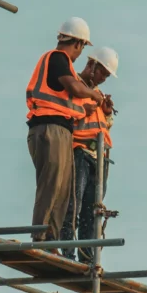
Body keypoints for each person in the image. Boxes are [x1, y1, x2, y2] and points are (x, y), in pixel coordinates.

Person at [26, 17, 105, 244]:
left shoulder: (62, 66)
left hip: (58, 129)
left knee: (62, 190)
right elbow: (74, 87)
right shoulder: (58, 58)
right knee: (51, 185)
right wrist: (93, 94)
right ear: (79, 43)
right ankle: (40, 237)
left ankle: (52, 238)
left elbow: (70, 101)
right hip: (49, 128)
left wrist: (92, 105)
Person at [60, 47, 119, 263]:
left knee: (92, 212)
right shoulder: (73, 84)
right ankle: (67, 252)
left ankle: (86, 258)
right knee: (72, 204)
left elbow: (103, 126)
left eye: (106, 74)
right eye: (102, 72)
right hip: (79, 151)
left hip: (99, 157)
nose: (103, 78)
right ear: (91, 65)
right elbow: (67, 114)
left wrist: (107, 113)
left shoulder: (98, 95)